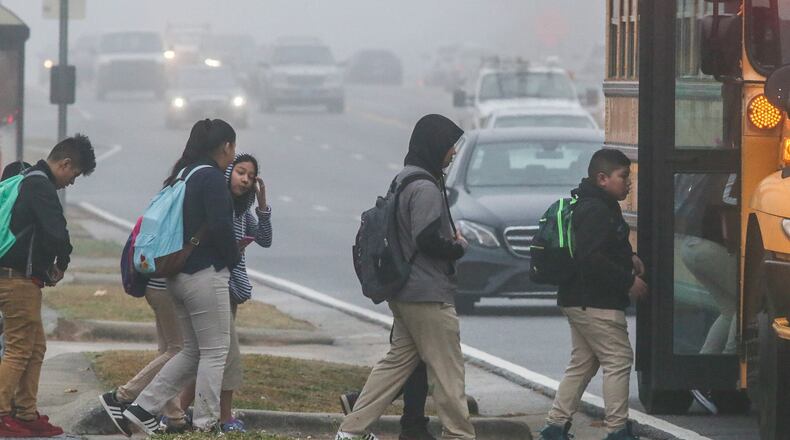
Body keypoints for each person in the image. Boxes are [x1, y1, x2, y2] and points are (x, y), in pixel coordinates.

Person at [336, 114, 475, 440]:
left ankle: (350, 431)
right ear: (434, 145)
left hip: (404, 291)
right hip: (427, 293)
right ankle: (459, 434)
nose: (452, 153)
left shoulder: (404, 178)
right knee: (448, 372)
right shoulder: (425, 187)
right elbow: (426, 239)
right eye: (449, 146)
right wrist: (457, 246)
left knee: (396, 364)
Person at [119, 119, 240, 434]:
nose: (233, 154)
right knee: (215, 351)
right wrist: (232, 259)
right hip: (204, 274)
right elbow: (221, 226)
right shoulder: (212, 178)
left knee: (191, 351)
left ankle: (141, 408)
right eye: (233, 147)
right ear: (226, 146)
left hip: (174, 275)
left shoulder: (181, 175)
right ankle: (205, 422)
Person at [538, 149, 647, 440]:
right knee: (618, 359)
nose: (629, 183)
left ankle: (555, 426)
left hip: (578, 299)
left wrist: (630, 257)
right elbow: (591, 257)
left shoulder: (596, 204)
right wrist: (627, 280)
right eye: (623, 177)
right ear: (602, 178)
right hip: (596, 301)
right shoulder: (597, 210)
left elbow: (604, 246)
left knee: (583, 362)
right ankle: (617, 430)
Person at [0, 135, 96, 437]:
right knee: (18, 348)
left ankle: (25, 412)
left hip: (18, 276)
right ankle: (3, 413)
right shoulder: (40, 185)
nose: (72, 181)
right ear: (65, 164)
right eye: (75, 174)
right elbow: (58, 233)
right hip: (17, 279)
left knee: (35, 346)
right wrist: (61, 263)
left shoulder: (26, 177)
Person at [178, 153, 273, 432]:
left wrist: (263, 205)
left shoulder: (243, 209)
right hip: (214, 281)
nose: (245, 179)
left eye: (251, 177)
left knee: (210, 353)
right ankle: (221, 416)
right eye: (240, 172)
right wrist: (230, 249)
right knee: (225, 355)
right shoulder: (218, 202)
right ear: (228, 171)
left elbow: (265, 239)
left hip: (231, 287)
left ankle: (177, 410)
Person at [98, 277, 188, 436]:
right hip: (166, 286)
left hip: (158, 285)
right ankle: (121, 396)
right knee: (179, 351)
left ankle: (175, 419)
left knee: (168, 350)